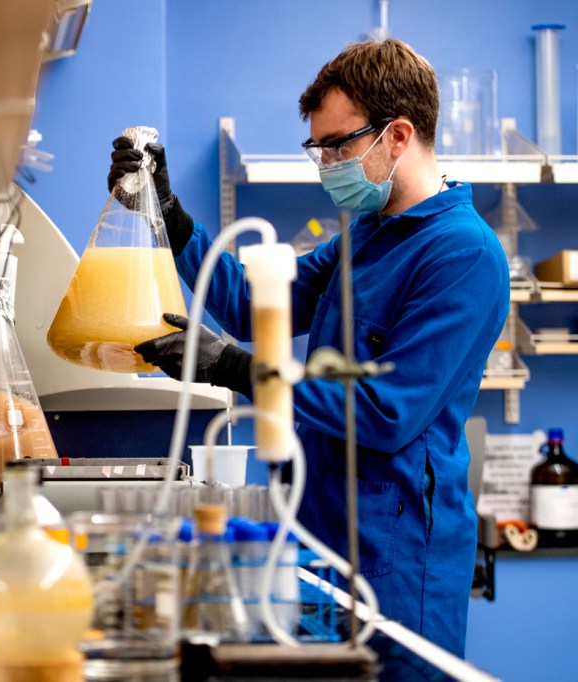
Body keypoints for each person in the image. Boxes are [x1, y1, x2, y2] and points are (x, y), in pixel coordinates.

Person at [109, 39, 509, 675]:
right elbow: (249, 303)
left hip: (399, 557)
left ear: (398, 134)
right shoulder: (367, 237)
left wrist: (234, 368)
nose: (324, 163)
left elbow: (387, 411)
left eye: (337, 145)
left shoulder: (462, 255)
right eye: (316, 147)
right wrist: (170, 216)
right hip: (321, 532)